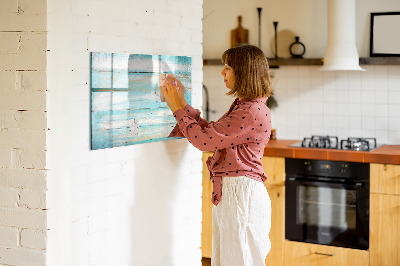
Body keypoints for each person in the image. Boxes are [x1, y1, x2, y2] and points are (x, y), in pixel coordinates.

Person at [161, 44, 273, 266]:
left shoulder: (250, 111)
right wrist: (182, 103)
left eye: (228, 67)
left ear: (244, 72)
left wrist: (176, 108)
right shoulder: (246, 106)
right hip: (236, 193)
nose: (222, 72)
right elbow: (212, 133)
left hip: (241, 195)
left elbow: (204, 141)